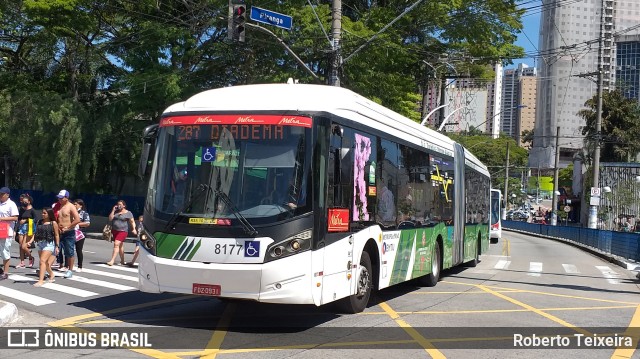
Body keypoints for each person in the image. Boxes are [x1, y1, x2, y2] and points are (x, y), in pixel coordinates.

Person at [55, 189, 81, 278]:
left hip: (69, 232)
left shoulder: (70, 206)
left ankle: (70, 270)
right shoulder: (58, 206)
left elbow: (77, 219)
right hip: (59, 231)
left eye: (61, 198)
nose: (60, 199)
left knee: (69, 252)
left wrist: (68, 227)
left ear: (67, 198)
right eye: (59, 198)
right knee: (55, 250)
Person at [33, 208, 60, 287]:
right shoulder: (40, 222)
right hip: (40, 243)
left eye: (45, 213)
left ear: (49, 214)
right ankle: (51, 274)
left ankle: (41, 280)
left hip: (49, 244)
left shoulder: (53, 223)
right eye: (42, 213)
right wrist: (31, 241)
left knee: (42, 261)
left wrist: (57, 246)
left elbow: (56, 235)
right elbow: (35, 232)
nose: (43, 214)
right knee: (45, 263)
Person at [107, 199, 137, 266]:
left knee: (116, 244)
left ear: (124, 205)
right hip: (115, 231)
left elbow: (132, 221)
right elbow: (110, 219)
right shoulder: (116, 212)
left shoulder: (128, 213)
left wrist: (134, 229)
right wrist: (113, 210)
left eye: (120, 204)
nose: (119, 206)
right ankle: (122, 260)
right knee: (120, 246)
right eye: (118, 204)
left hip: (123, 231)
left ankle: (112, 260)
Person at [0, 187, 19, 280]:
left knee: (5, 251)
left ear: (7, 195)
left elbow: (15, 218)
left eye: (2, 194)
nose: (1, 195)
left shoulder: (11, 204)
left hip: (6, 231)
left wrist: (1, 219)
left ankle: (6, 272)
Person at [73, 199, 90, 273]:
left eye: (76, 204)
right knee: (69, 249)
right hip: (71, 232)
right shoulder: (72, 212)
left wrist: (76, 224)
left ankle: (80, 266)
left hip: (80, 233)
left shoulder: (84, 213)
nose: (74, 205)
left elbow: (87, 223)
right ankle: (68, 264)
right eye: (74, 204)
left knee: (78, 250)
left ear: (80, 205)